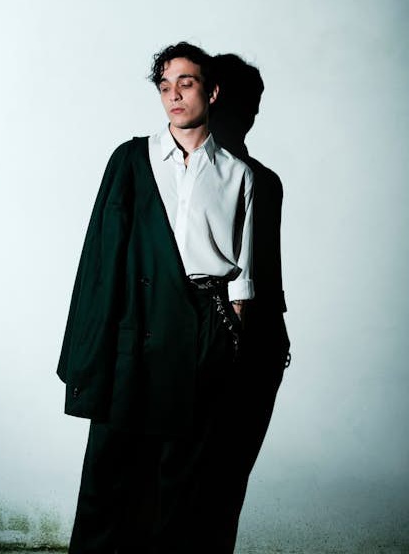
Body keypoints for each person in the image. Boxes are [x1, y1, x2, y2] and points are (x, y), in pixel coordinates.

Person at [57, 42, 289, 554]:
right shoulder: (131, 158)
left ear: (213, 92)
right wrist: (94, 343)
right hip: (137, 324)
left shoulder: (242, 175)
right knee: (111, 471)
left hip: (203, 325)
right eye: (165, 86)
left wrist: (232, 338)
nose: (174, 96)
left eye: (186, 83)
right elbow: (101, 256)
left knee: (185, 477)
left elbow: (245, 275)